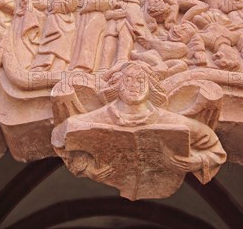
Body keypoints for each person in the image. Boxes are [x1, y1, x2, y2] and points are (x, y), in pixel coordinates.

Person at [52, 61, 227, 188]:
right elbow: (60, 137)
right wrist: (87, 168)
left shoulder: (171, 121)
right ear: (118, 86)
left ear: (151, 87)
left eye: (140, 80)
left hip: (161, 185)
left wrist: (197, 162)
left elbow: (215, 150)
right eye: (128, 80)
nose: (134, 85)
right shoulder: (96, 118)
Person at [31, 0, 78, 71]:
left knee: (59, 45)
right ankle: (44, 65)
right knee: (48, 43)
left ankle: (58, 68)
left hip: (63, 24)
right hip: (51, 23)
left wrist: (58, 6)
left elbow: (73, 4)